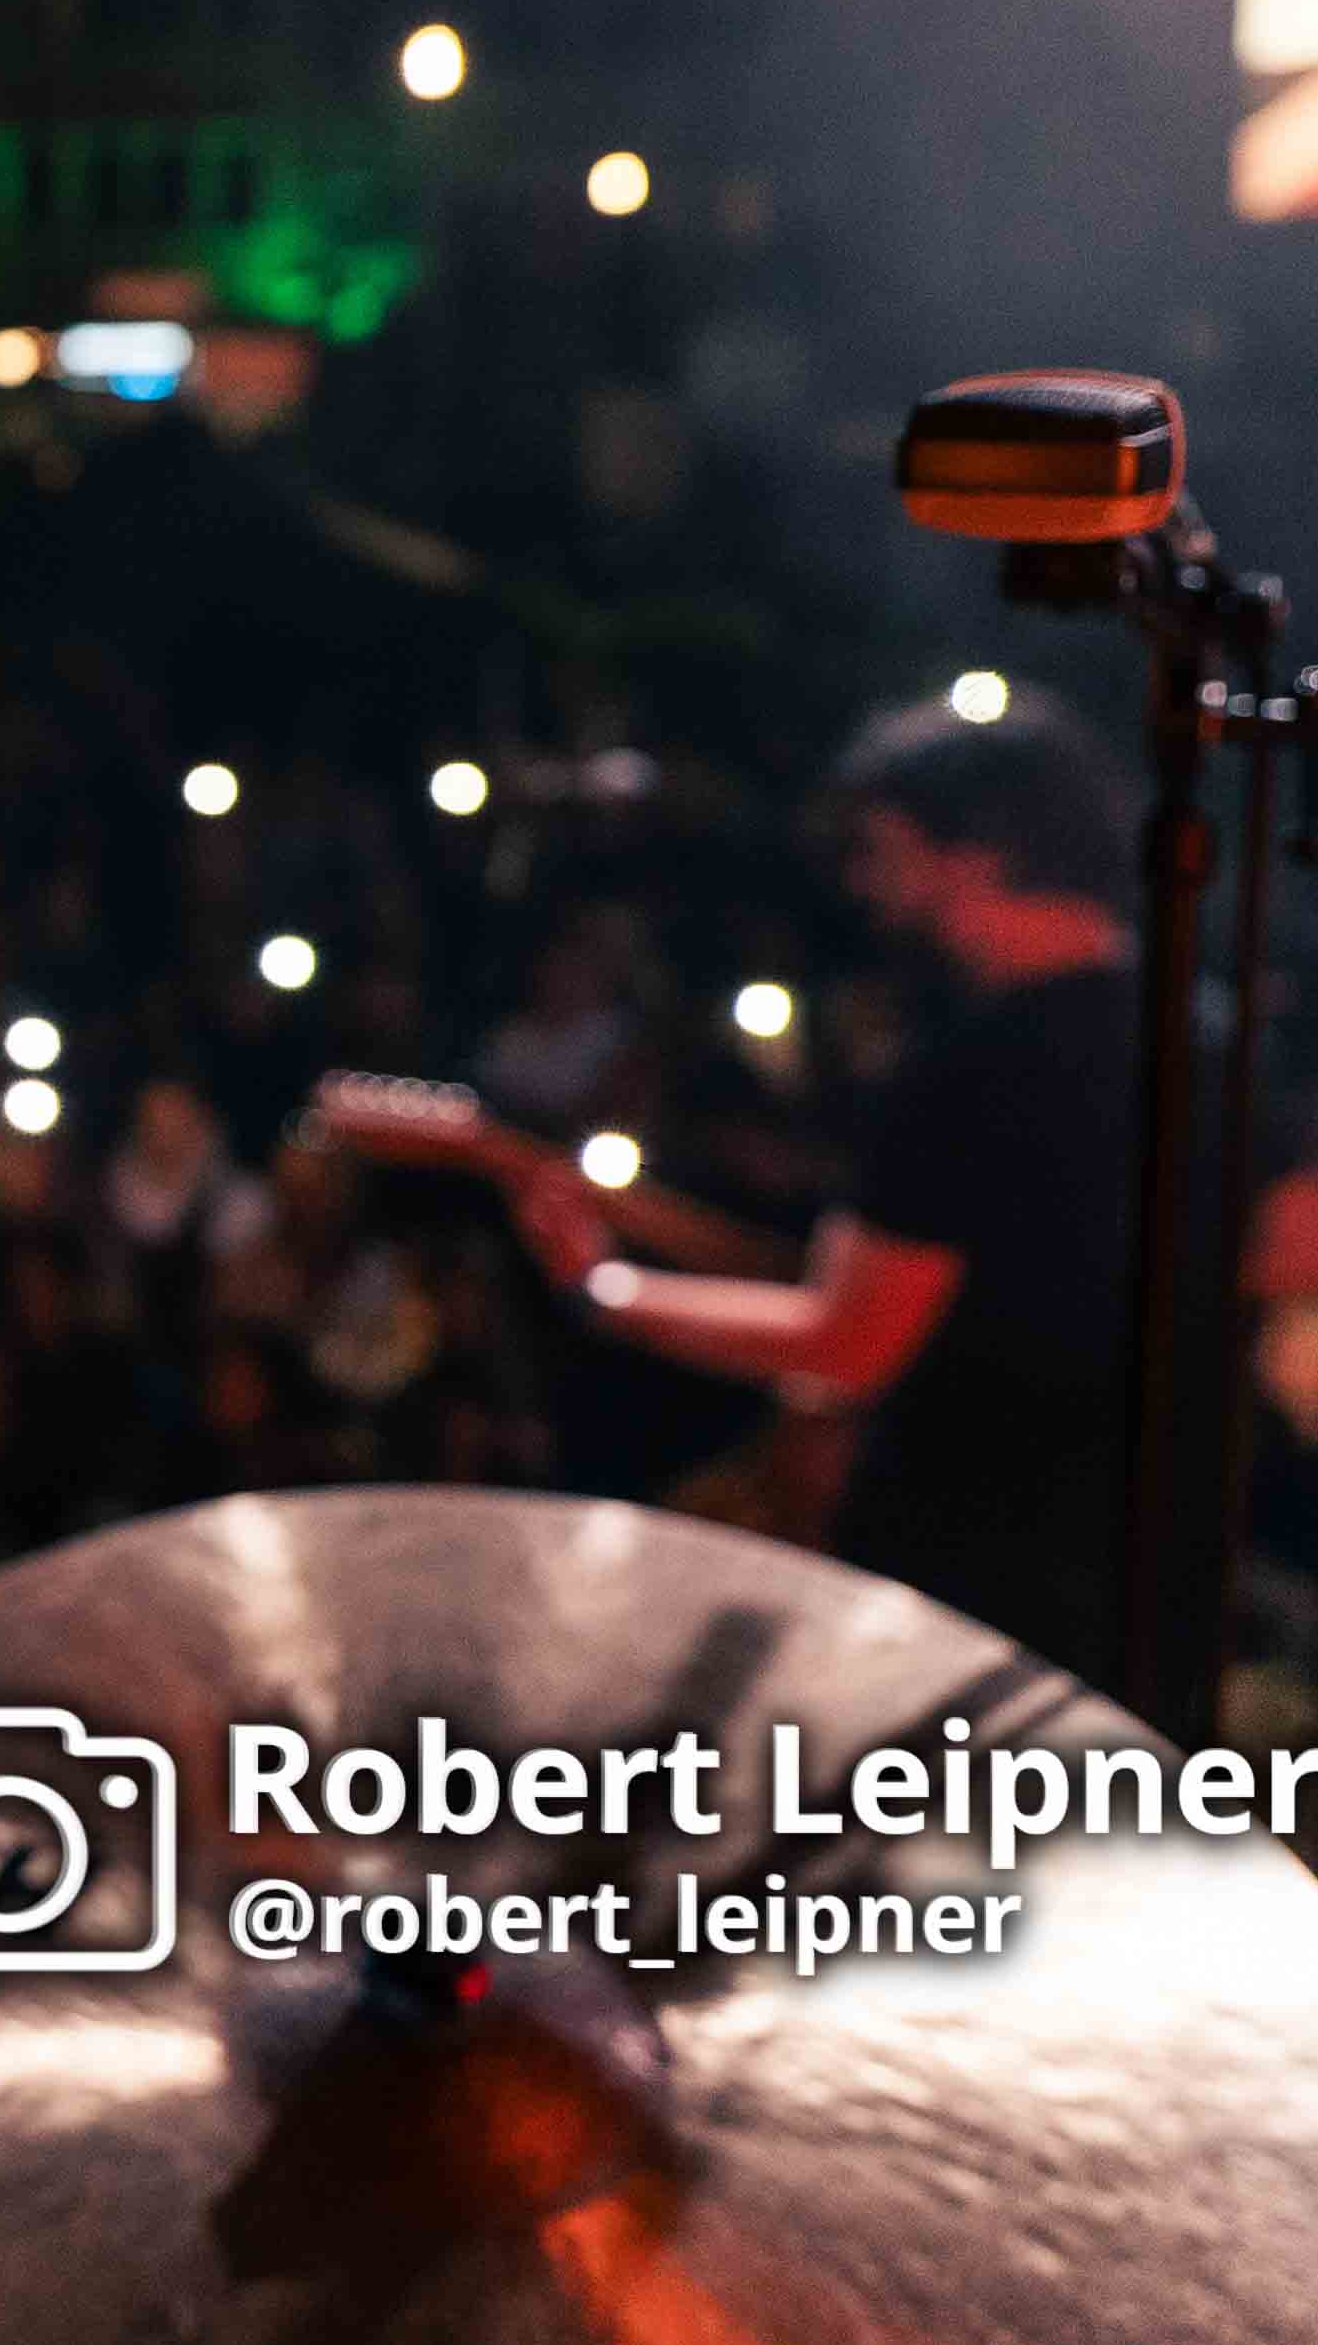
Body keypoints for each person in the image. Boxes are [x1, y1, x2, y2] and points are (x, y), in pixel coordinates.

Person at [483, 701, 1142, 1687]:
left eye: (884, 849)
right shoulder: (1211, 1049)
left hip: (964, 1582)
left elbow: (849, 1340)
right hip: (1136, 1579)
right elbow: (1300, 1266)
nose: (865, 884)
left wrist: (602, 1289)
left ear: (977, 856)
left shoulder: (968, 1072)